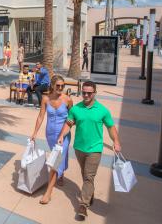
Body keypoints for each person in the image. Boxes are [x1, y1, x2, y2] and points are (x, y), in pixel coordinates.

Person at [57, 81, 121, 220]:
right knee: (85, 174)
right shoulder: (75, 109)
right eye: (84, 92)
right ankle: (89, 194)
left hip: (95, 149)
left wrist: (116, 141)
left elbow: (111, 127)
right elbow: (68, 124)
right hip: (79, 148)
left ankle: (83, 205)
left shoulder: (102, 110)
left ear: (95, 93)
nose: (86, 95)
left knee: (88, 176)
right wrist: (62, 135)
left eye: (89, 93)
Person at [30, 75, 73, 204]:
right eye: (58, 85)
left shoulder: (68, 100)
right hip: (50, 134)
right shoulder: (45, 99)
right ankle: (61, 174)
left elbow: (72, 118)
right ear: (52, 85)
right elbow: (40, 117)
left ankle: (48, 193)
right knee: (59, 157)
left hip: (63, 135)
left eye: (62, 86)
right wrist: (34, 133)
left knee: (54, 161)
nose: (60, 88)